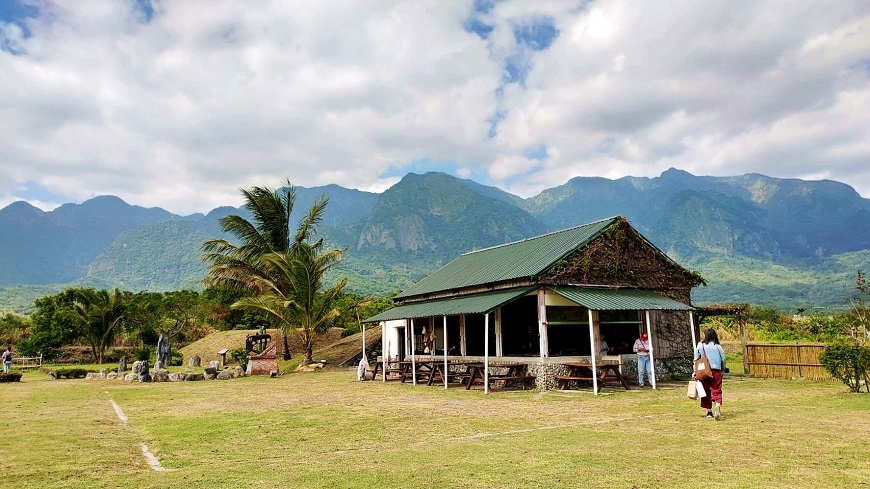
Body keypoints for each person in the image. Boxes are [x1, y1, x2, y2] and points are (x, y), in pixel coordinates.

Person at [694, 328, 727, 420]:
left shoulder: (700, 345)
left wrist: (695, 371)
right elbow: (723, 359)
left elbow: (696, 358)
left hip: (703, 370)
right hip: (716, 370)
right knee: (717, 389)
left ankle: (709, 411)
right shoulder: (718, 346)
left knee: (705, 391)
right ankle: (717, 405)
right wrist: (723, 369)